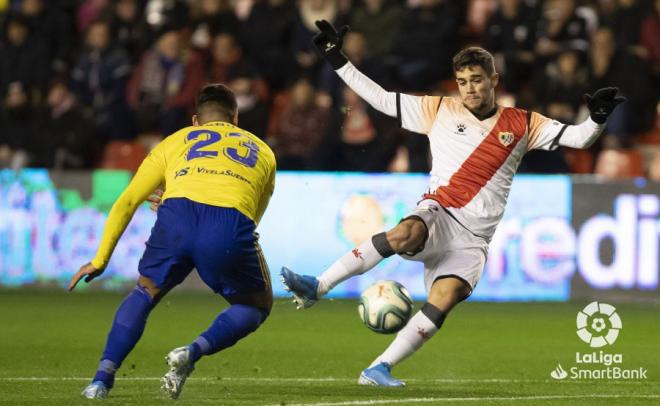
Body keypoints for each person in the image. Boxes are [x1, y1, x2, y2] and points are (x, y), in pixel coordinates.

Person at [281, 20, 625, 387]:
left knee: (446, 296)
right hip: (439, 211)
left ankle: (378, 368)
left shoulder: (523, 123)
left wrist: (598, 118)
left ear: (494, 80)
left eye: (476, 79)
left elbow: (579, 138)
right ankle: (318, 285)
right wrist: (337, 59)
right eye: (462, 81)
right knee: (406, 232)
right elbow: (380, 98)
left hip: (474, 239)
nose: (469, 88)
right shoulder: (439, 109)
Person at [68, 84, 277, 399]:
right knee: (256, 305)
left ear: (195, 120)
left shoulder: (174, 141)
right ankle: (191, 352)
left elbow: (128, 201)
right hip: (227, 225)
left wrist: (100, 259)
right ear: (235, 119)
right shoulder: (263, 150)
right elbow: (251, 217)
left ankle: (100, 380)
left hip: (176, 216)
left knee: (145, 291)